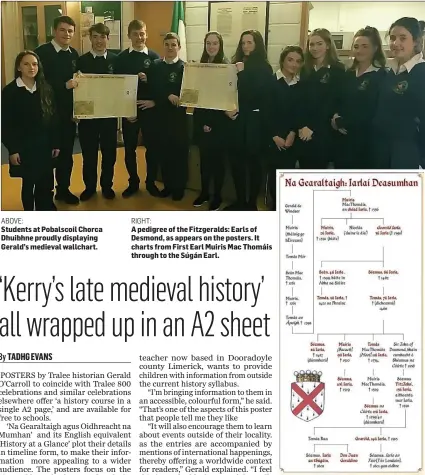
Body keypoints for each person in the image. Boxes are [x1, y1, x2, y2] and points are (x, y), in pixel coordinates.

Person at [1, 51, 59, 211]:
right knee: (29, 184)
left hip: (45, 144)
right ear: (19, 67)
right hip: (24, 146)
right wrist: (13, 150)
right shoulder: (10, 91)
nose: (31, 67)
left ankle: (45, 209)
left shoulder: (45, 88)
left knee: (46, 181)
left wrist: (55, 143)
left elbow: (53, 118)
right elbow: (5, 125)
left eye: (34, 64)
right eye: (26, 64)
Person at [225, 30, 274, 211]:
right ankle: (240, 201)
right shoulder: (235, 63)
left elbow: (255, 95)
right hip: (235, 120)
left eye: (250, 42)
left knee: (253, 164)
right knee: (236, 163)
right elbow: (228, 90)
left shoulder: (263, 67)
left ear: (257, 44)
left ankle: (251, 204)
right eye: (243, 42)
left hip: (253, 122)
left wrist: (242, 73)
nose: (245, 46)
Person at [34, 15, 79, 205]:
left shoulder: (74, 55)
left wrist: (78, 110)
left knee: (66, 155)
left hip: (67, 115)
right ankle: (44, 195)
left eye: (70, 31)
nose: (66, 34)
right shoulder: (40, 53)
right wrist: (64, 85)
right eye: (63, 30)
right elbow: (38, 84)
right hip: (46, 115)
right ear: (54, 31)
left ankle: (63, 190)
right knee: (46, 156)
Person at [114, 20, 161, 197]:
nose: (139, 37)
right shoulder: (121, 58)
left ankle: (150, 182)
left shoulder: (156, 58)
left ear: (146, 34)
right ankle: (133, 182)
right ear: (129, 36)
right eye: (135, 34)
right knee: (129, 149)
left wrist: (152, 92)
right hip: (129, 112)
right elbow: (117, 88)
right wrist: (126, 111)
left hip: (150, 111)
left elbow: (160, 87)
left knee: (152, 148)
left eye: (142, 33)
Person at [372, 17, 425, 169]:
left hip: (408, 152)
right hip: (381, 148)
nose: (396, 43)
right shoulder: (389, 71)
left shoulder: (421, 72)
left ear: (415, 41)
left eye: (403, 38)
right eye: (393, 38)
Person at [332, 27, 387, 169]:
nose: (359, 50)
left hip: (366, 144)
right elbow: (338, 100)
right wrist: (335, 118)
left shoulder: (381, 76)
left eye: (364, 46)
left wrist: (345, 122)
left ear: (375, 48)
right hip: (342, 142)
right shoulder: (348, 74)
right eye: (356, 46)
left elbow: (374, 111)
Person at [76, 23, 117, 201]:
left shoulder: (117, 60)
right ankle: (90, 187)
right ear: (90, 38)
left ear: (108, 38)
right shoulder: (81, 61)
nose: (99, 41)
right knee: (89, 154)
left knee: (109, 154)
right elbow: (76, 89)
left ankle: (107, 186)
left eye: (102, 37)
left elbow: (123, 88)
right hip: (88, 117)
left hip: (109, 115)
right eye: (95, 37)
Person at [297, 28, 346, 169]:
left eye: (319, 44)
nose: (314, 48)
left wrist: (313, 128)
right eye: (311, 44)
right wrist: (302, 125)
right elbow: (299, 100)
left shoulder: (338, 69)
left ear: (328, 45)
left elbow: (332, 102)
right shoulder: (304, 68)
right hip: (303, 131)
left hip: (323, 132)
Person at [192, 31, 230, 211]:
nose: (211, 47)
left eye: (215, 43)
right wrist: (202, 123)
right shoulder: (200, 66)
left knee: (217, 163)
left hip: (219, 123)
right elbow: (198, 96)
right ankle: (205, 192)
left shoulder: (225, 67)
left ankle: (217, 196)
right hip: (201, 120)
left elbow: (224, 98)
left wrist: (211, 123)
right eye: (208, 43)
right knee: (204, 161)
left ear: (220, 45)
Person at [152, 32, 188, 201]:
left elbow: (189, 91)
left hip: (178, 119)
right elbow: (154, 88)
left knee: (179, 155)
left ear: (179, 47)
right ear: (163, 47)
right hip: (160, 118)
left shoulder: (185, 68)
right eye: (167, 44)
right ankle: (167, 185)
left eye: (174, 45)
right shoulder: (156, 65)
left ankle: (179, 187)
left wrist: (180, 97)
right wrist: (167, 95)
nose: (170, 48)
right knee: (164, 155)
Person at [268, 46, 304, 211]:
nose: (294, 64)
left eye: (298, 61)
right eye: (290, 60)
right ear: (283, 60)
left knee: (288, 178)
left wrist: (292, 133)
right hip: (272, 138)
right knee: (274, 177)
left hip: (292, 139)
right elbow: (264, 112)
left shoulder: (301, 85)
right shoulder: (270, 82)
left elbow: (299, 113)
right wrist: (274, 135)